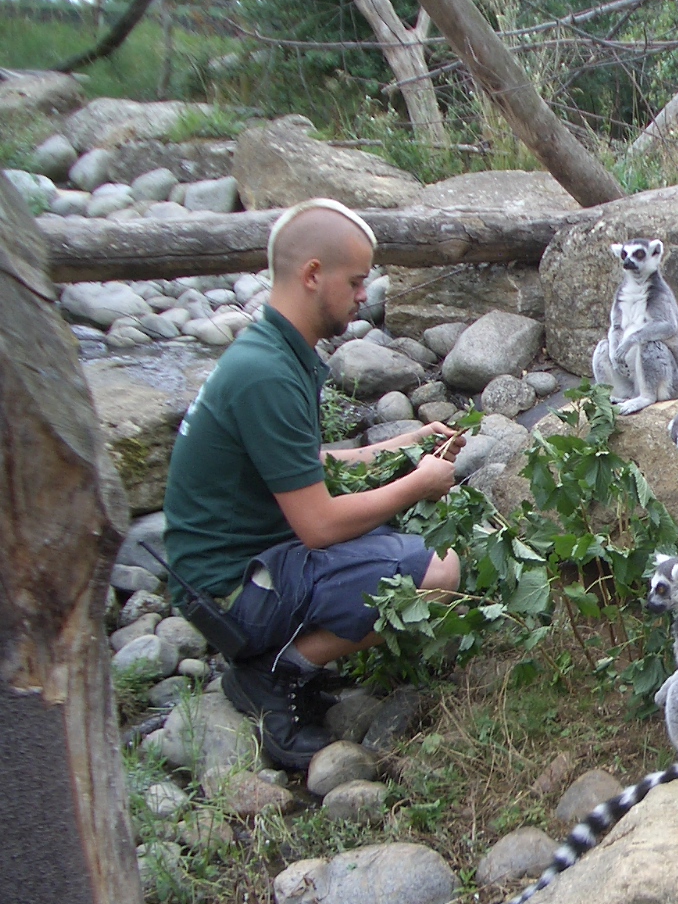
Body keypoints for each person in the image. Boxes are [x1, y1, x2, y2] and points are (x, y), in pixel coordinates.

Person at [163, 199, 464, 769]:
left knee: (391, 523)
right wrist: (421, 484)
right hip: (228, 591)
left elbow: (302, 464)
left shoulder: (271, 352)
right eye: (355, 281)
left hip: (233, 567)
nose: (361, 295)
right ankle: (273, 673)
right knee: (440, 570)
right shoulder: (267, 374)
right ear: (311, 276)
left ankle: (280, 651)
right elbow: (318, 524)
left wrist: (402, 448)